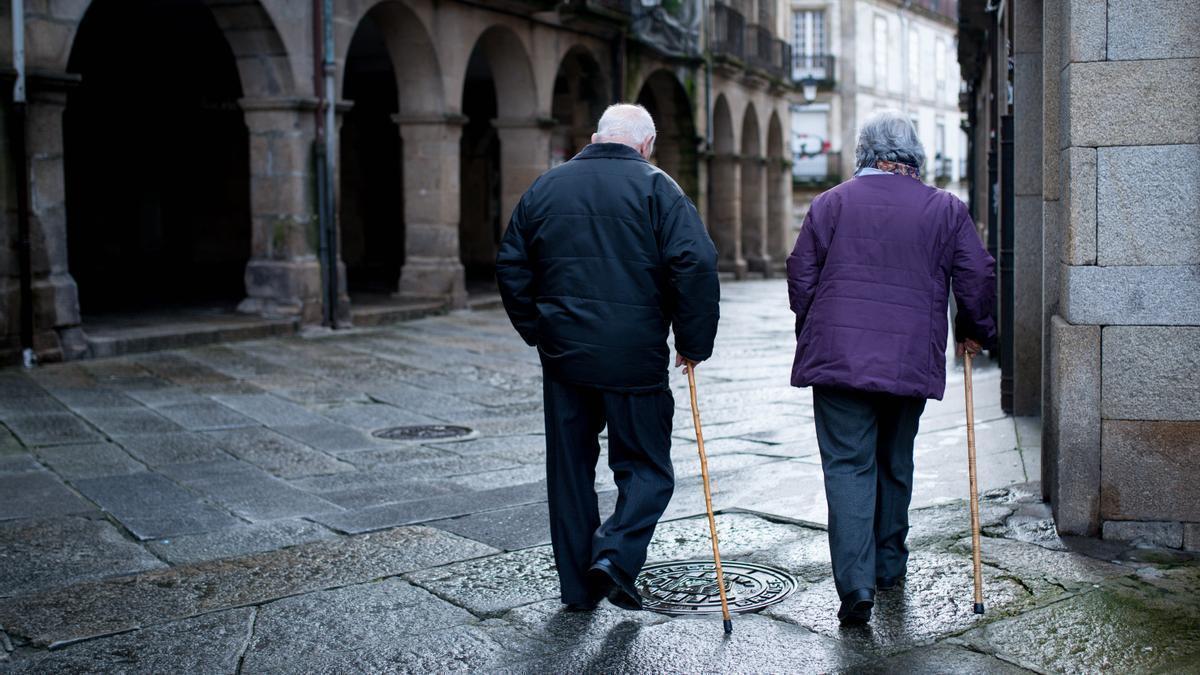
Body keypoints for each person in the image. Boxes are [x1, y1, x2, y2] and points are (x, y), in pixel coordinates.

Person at [496, 103, 720, 612]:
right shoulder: (658, 187)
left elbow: (511, 263)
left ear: (595, 137)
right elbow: (697, 262)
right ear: (645, 145)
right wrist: (693, 342)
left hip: (565, 358)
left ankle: (578, 590)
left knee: (570, 472)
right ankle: (615, 556)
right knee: (646, 468)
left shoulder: (546, 187)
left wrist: (539, 331)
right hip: (633, 357)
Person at [786, 110, 996, 626]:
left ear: (864, 152)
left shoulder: (829, 204)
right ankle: (888, 566)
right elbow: (977, 274)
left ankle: (855, 585)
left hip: (838, 361)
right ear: (915, 156)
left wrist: (815, 327)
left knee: (847, 466)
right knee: (895, 460)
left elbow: (800, 278)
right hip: (907, 359)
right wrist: (976, 330)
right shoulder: (945, 209)